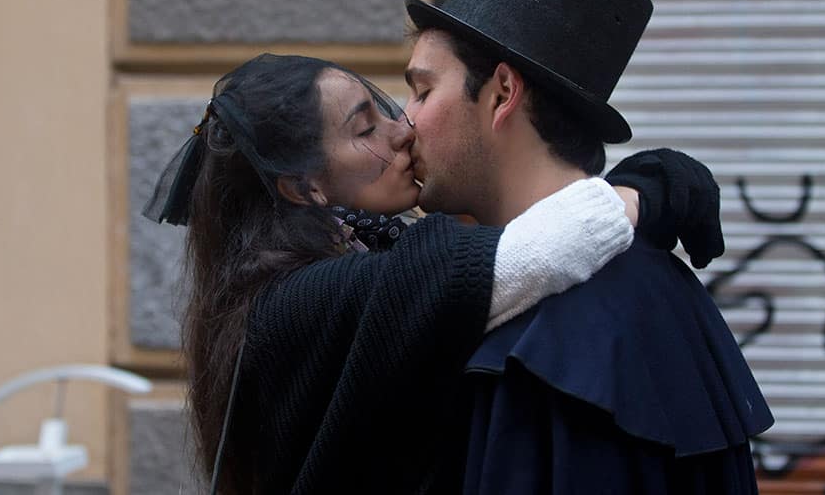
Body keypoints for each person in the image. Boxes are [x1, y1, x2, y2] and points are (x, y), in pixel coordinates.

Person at [143, 53, 723, 494]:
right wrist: (644, 190)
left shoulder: (340, 269)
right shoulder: (295, 303)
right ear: (304, 187)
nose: (402, 131)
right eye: (364, 129)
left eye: (396, 105)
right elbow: (523, 257)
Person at [402, 0, 774, 494]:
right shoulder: (656, 287)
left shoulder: (562, 334)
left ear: (501, 93)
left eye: (423, 91)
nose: (406, 124)